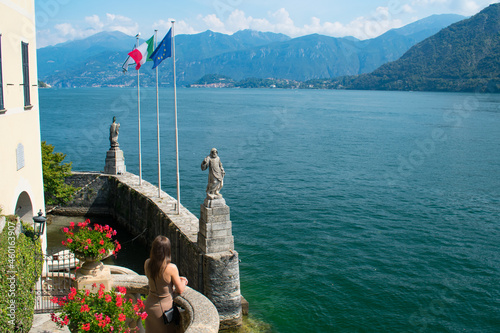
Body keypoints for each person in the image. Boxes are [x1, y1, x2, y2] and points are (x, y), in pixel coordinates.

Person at [144, 236, 188, 333]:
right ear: (167, 250)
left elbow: (156, 279)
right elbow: (180, 289)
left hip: (149, 305)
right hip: (163, 310)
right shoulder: (171, 268)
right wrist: (183, 281)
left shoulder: (147, 263)